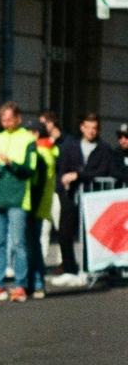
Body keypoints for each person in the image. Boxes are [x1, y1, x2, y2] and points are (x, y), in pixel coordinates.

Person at [52, 112, 126, 286]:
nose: (91, 131)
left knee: (90, 235)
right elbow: (61, 168)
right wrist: (62, 186)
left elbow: (103, 171)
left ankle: (87, 269)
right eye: (88, 127)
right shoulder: (70, 146)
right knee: (64, 232)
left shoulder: (104, 149)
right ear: (82, 127)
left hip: (93, 198)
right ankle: (69, 268)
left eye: (94, 128)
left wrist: (79, 175)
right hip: (71, 195)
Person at [0, 103, 38, 303]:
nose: (6, 123)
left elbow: (30, 169)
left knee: (18, 243)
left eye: (9, 119)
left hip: (18, 197)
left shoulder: (28, 138)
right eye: (3, 120)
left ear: (18, 118)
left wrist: (12, 163)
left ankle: (20, 284)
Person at [24, 115, 58, 299]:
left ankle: (37, 283)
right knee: (32, 244)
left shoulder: (42, 152)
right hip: (38, 203)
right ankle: (34, 282)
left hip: (35, 203)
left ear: (36, 134)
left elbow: (37, 182)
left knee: (33, 246)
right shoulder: (47, 150)